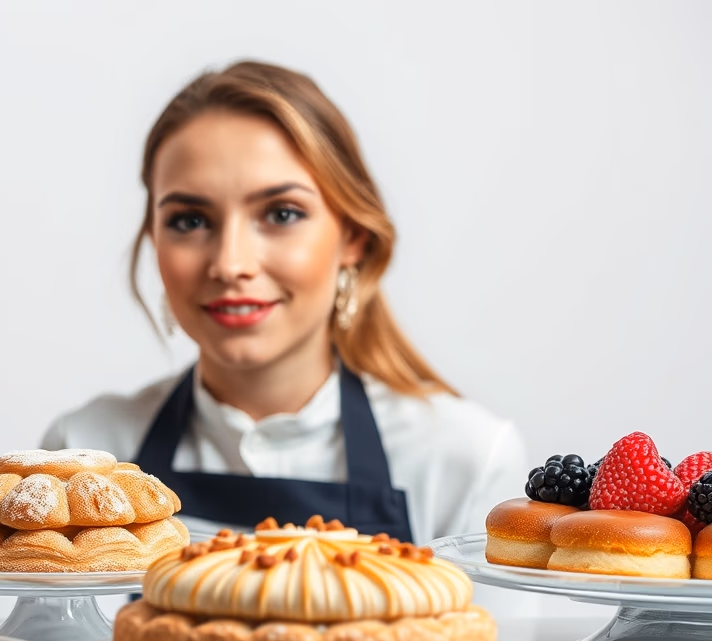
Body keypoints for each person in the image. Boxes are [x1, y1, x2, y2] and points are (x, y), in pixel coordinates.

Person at [41, 61, 526, 543]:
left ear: (352, 237)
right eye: (190, 220)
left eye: (281, 213)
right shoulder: (81, 456)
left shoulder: (466, 460)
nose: (230, 264)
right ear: (154, 239)